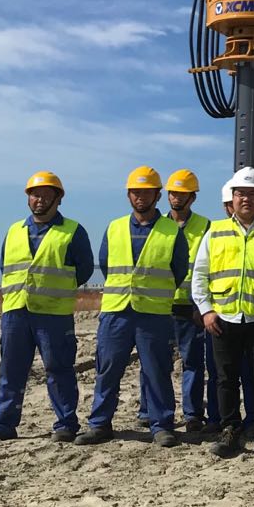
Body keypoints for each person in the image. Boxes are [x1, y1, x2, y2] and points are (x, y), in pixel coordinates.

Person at [0, 171, 94, 445]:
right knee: (11, 371)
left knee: (59, 369)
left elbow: (84, 269)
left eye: (46, 195)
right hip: (16, 311)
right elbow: (6, 267)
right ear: (28, 198)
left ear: (58, 199)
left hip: (54, 314)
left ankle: (66, 424)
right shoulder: (14, 231)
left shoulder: (73, 231)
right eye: (35, 194)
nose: (39, 200)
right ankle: (2, 424)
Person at [77, 167, 189, 447]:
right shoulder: (114, 228)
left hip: (153, 314)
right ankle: (99, 424)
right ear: (128, 195)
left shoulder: (171, 231)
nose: (140, 197)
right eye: (135, 192)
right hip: (116, 311)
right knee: (107, 368)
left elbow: (179, 270)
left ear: (157, 195)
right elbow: (106, 265)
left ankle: (161, 425)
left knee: (157, 370)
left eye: (146, 192)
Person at [191, 167, 254, 457]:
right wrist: (206, 311)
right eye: (240, 193)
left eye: (252, 194)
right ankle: (230, 429)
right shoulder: (215, 231)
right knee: (225, 378)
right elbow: (200, 274)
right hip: (224, 318)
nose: (246, 199)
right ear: (232, 198)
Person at [164, 169, 213, 433]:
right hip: (160, 305)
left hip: (191, 308)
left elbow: (210, 269)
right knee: (156, 362)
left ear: (192, 197)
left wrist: (202, 306)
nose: (176, 198)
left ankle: (193, 414)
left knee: (193, 362)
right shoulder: (158, 226)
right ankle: (150, 411)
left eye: (181, 194)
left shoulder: (205, 227)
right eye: (172, 193)